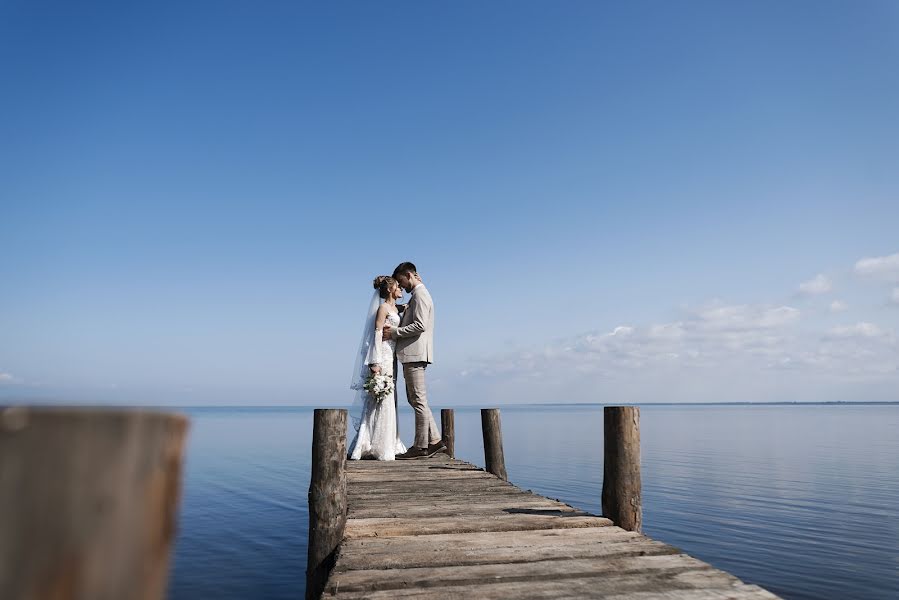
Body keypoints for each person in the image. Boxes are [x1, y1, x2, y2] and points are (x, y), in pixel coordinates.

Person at [384, 262, 446, 459]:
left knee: (418, 400)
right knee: (416, 399)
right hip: (415, 353)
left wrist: (395, 332)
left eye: (402, 281)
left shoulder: (420, 294)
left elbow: (419, 325)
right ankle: (435, 440)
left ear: (410, 275)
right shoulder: (418, 296)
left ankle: (420, 447)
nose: (402, 287)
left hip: (415, 353)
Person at [347, 276, 408, 460]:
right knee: (379, 397)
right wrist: (375, 361)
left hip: (392, 356)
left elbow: (400, 312)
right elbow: (377, 333)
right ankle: (372, 443)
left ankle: (389, 441)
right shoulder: (382, 308)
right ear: (390, 289)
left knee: (389, 397)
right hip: (382, 355)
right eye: (398, 287)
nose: (401, 290)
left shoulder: (393, 308)